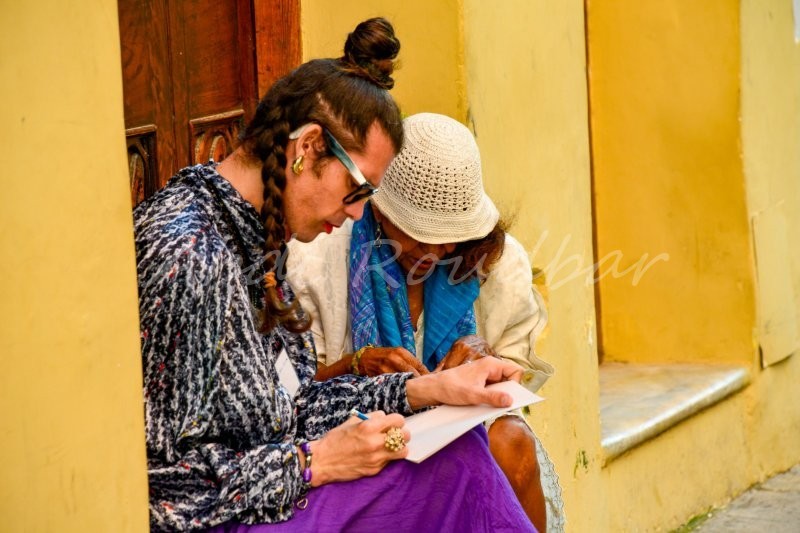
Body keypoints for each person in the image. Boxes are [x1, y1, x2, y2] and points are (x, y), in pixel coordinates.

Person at [134, 18, 537, 532]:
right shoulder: (188, 251)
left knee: (462, 452)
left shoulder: (257, 238)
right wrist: (314, 461)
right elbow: (161, 487)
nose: (355, 214)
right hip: (235, 518)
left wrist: (425, 391)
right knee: (457, 472)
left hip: (278, 492)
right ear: (308, 148)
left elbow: (291, 405)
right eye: (357, 189)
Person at [287, 112, 565, 531]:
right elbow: (293, 400)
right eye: (418, 234)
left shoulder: (495, 262)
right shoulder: (317, 260)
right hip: (358, 438)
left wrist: (487, 363)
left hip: (467, 435)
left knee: (510, 443)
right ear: (380, 210)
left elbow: (515, 386)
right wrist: (356, 364)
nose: (435, 251)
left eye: (449, 236)